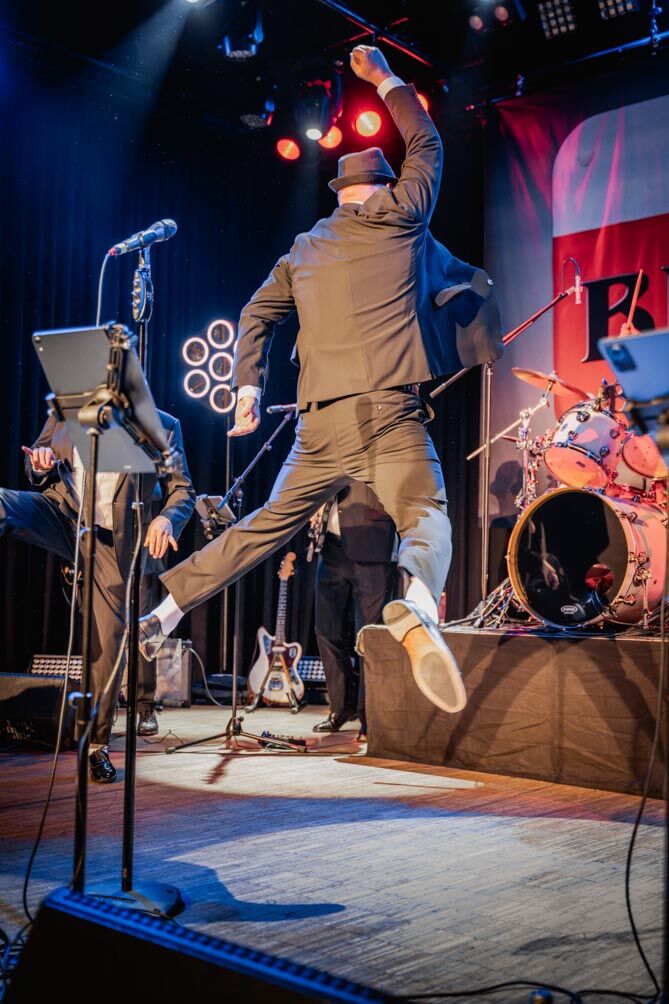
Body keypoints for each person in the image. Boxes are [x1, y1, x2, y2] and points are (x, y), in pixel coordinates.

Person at [140, 44, 501, 714]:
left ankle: (164, 612)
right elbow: (426, 139)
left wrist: (248, 390)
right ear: (384, 186)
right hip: (389, 415)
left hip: (317, 427)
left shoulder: (304, 249)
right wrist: (384, 77)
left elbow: (255, 314)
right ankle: (418, 604)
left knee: (263, 526)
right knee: (425, 514)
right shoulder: (404, 215)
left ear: (340, 195)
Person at [0, 409, 195, 782]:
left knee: (108, 639)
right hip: (63, 514)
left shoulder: (163, 426)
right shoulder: (66, 409)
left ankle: (96, 745)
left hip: (111, 540)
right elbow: (36, 464)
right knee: (3, 503)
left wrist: (166, 518)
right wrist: (39, 465)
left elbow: (183, 489)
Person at [311, 481, 396, 740]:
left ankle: (369, 716)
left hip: (372, 543)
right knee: (326, 630)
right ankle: (341, 706)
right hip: (331, 547)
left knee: (368, 637)